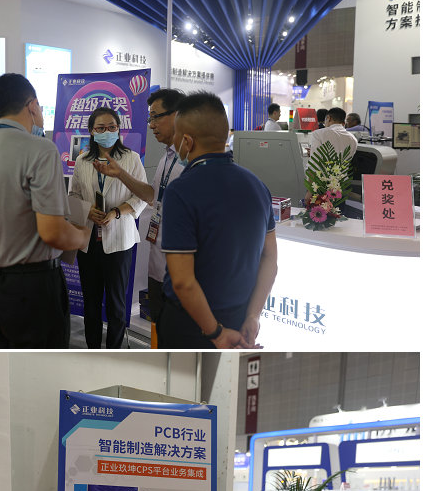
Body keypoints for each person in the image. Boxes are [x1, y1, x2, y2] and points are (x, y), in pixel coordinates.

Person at [0, 73, 92, 348]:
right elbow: (53, 233)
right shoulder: (41, 149)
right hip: (31, 289)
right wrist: (83, 236)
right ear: (32, 105)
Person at [158, 92, 278, 349]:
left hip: (193, 324)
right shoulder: (257, 185)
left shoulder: (181, 190)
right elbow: (270, 259)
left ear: (187, 141)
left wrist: (216, 333)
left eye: (176, 135)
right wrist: (253, 316)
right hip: (240, 320)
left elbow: (182, 281)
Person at [92, 89, 186, 329]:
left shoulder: (191, 160)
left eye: (156, 117)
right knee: (161, 332)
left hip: (182, 270)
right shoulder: (167, 157)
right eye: (149, 118)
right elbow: (153, 196)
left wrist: (117, 211)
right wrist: (120, 174)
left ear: (178, 115)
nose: (151, 125)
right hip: (159, 265)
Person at [70, 108, 147, 348]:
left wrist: (116, 212)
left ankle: (115, 349)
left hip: (119, 241)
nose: (107, 132)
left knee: (116, 304)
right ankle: (92, 348)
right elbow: (73, 195)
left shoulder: (131, 158)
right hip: (89, 242)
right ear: (91, 131)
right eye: (101, 128)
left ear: (119, 129)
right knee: (91, 302)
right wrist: (87, 210)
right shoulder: (83, 160)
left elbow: (142, 196)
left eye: (112, 127)